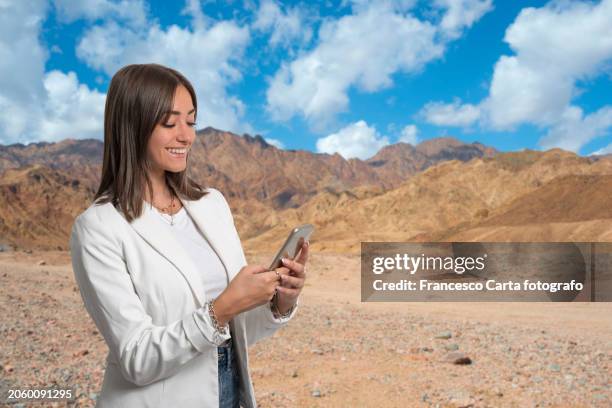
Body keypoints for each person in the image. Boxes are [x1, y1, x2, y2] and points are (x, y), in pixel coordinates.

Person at [69, 63, 308, 408]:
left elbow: (237, 332)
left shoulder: (211, 204)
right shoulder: (98, 228)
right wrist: (220, 309)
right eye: (170, 123)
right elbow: (137, 358)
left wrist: (279, 302)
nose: (187, 136)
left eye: (191, 121)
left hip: (230, 393)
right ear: (132, 126)